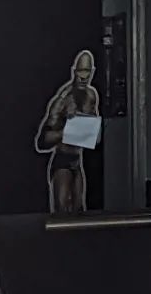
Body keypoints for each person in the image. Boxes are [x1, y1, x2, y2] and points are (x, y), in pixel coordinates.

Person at [34, 48, 101, 214]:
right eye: (81, 71)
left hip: (77, 161)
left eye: (87, 71)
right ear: (74, 71)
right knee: (62, 210)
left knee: (79, 209)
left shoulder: (91, 96)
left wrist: (86, 128)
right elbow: (42, 141)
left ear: (92, 72)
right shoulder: (63, 100)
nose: (83, 77)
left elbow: (96, 136)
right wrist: (67, 130)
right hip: (62, 161)